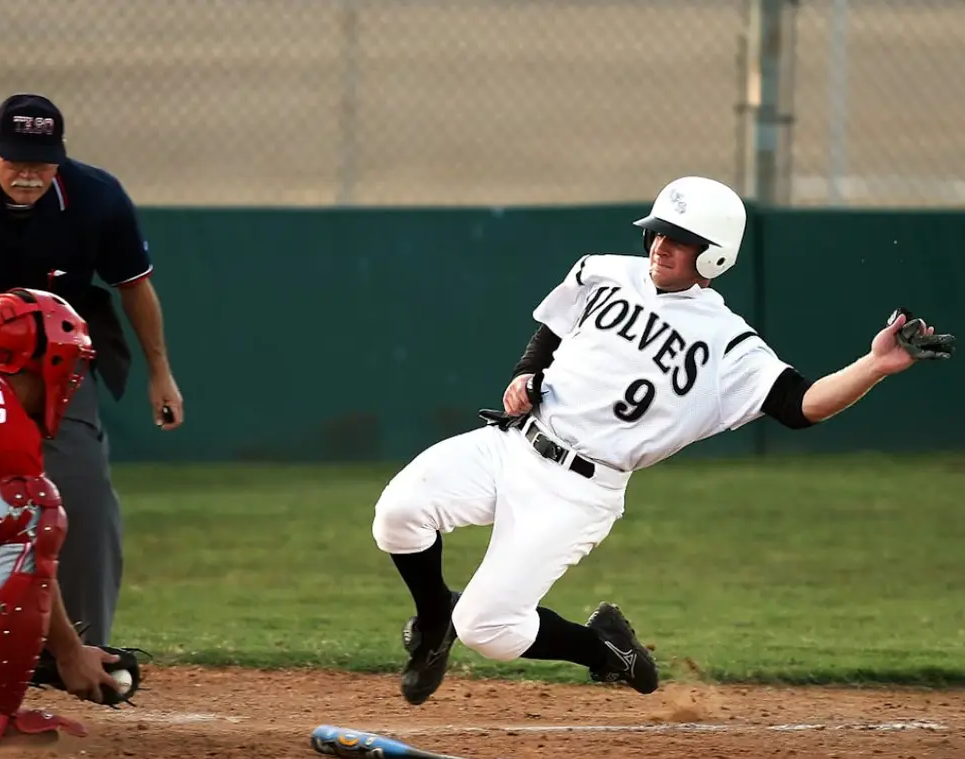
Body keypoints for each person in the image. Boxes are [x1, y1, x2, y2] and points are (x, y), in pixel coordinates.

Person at [370, 176, 956, 706]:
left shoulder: (729, 346)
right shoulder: (602, 270)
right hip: (514, 443)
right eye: (657, 233)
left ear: (716, 255)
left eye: (679, 239)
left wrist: (875, 365)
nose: (660, 246)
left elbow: (801, 406)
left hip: (576, 493)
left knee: (489, 630)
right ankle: (431, 626)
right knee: (398, 513)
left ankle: (605, 650)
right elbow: (553, 326)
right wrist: (525, 374)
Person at [0, 92, 185, 646]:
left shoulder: (97, 197)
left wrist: (160, 372)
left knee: (81, 486)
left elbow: (134, 288)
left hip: (57, 348)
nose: (28, 175)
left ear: (62, 155)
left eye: (42, 162)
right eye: (16, 160)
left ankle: (79, 643)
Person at [0, 288, 128, 744]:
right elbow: (28, 536)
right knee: (33, 509)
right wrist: (67, 651)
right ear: (45, 362)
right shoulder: (0, 420)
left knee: (14, 519)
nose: (73, 378)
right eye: (70, 363)